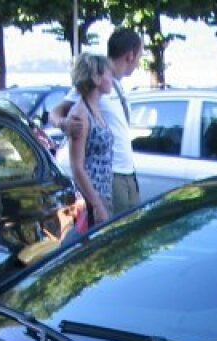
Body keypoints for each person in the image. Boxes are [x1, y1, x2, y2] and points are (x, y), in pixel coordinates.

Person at [54, 28, 143, 216]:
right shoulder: (95, 81)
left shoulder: (114, 85)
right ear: (131, 55)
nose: (139, 62)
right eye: (139, 56)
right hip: (111, 176)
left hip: (127, 172)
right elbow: (55, 113)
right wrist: (65, 124)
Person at [66, 53, 115, 227]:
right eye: (108, 74)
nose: (111, 78)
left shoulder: (95, 109)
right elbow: (77, 166)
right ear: (96, 78)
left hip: (103, 193)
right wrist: (97, 204)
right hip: (92, 198)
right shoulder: (81, 114)